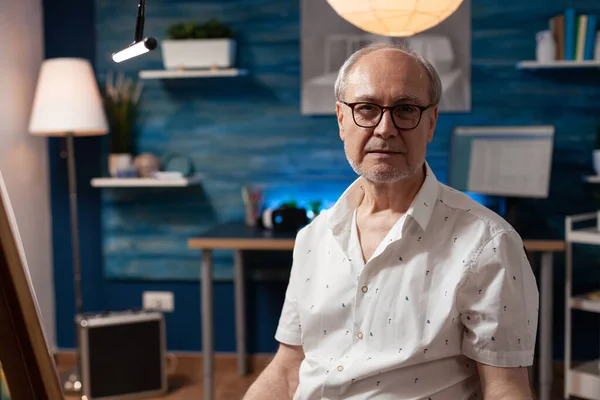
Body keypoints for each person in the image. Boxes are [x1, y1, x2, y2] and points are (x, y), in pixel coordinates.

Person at [243, 41, 538, 400]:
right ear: (341, 119)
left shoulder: (488, 243)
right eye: (366, 108)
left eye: (405, 109)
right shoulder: (313, 237)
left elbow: (505, 389)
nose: (385, 128)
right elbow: (289, 368)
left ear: (430, 122)